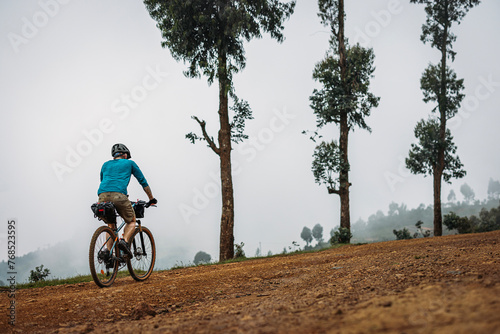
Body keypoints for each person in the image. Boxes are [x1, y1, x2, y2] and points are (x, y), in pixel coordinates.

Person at [97, 143, 157, 257]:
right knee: (131, 221)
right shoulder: (130, 163)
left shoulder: (105, 165)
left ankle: (109, 254)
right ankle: (124, 242)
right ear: (124, 155)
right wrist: (151, 198)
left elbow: (103, 180)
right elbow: (143, 182)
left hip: (102, 196)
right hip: (119, 195)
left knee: (111, 224)